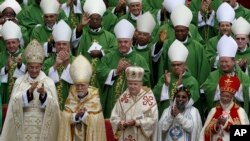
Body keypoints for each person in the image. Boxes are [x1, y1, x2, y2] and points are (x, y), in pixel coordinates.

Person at [0, 39, 60, 141]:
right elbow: (14, 104)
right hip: (24, 127)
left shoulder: (48, 82)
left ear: (41, 66)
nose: (34, 70)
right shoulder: (20, 81)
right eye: (31, 67)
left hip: (42, 127)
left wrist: (44, 95)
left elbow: (54, 107)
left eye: (37, 67)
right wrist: (28, 93)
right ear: (27, 66)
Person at [96, 19, 150, 118]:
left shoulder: (140, 59)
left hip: (133, 106)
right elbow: (99, 72)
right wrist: (116, 72)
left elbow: (146, 78)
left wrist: (132, 71)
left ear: (131, 41)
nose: (123, 44)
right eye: (120, 42)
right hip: (111, 105)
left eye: (126, 41)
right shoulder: (109, 57)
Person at [58, 54, 106, 141]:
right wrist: (75, 116)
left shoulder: (94, 99)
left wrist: (84, 116)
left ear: (88, 84)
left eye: (82, 85)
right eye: (77, 85)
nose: (79, 88)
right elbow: (65, 117)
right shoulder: (71, 96)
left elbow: (98, 120)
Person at [202, 35, 250, 116]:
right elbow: (207, 89)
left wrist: (238, 88)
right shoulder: (213, 75)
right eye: (221, 61)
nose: (223, 64)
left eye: (226, 62)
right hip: (218, 114)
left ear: (233, 61)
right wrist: (221, 88)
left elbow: (248, 91)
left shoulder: (243, 76)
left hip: (237, 114)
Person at [72, 0, 117, 87]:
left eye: (97, 19)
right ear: (89, 20)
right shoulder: (83, 33)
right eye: (92, 19)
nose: (95, 21)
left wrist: (101, 53)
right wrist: (81, 25)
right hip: (84, 76)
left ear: (102, 20)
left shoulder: (109, 36)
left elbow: (114, 51)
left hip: (102, 77)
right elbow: (74, 43)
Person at [153, 40, 200, 117]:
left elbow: (191, 101)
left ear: (185, 65)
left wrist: (180, 86)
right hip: (166, 115)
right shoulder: (165, 77)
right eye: (173, 65)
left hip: (184, 115)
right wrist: (166, 85)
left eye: (179, 64)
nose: (176, 67)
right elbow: (155, 95)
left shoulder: (192, 81)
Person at [110, 66, 158, 141]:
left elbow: (153, 120)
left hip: (141, 137)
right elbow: (113, 117)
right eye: (130, 83)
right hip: (125, 135)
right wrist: (120, 123)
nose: (132, 86)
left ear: (141, 83)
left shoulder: (149, 98)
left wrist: (137, 122)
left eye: (135, 84)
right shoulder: (123, 98)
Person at [199, 75, 249, 141]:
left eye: (228, 96)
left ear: (232, 97)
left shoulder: (240, 111)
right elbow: (205, 132)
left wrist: (227, 124)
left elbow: (244, 134)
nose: (225, 98)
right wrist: (216, 124)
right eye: (223, 96)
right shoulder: (213, 111)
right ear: (220, 95)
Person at [43, 20, 74, 110]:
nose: (61, 46)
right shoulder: (48, 62)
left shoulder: (75, 60)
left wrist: (67, 64)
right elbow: (43, 79)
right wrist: (55, 65)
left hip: (70, 101)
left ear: (69, 46)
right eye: (58, 44)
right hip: (52, 102)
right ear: (54, 46)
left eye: (64, 44)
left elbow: (78, 79)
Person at [0, 21, 26, 105]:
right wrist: (6, 68)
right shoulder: (1, 56)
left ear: (18, 42)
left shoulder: (25, 54)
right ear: (5, 44)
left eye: (13, 42)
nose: (11, 45)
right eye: (8, 43)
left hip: (21, 92)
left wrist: (20, 65)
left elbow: (33, 72)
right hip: (5, 92)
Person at [206, 2, 235, 70]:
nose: (225, 28)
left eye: (227, 25)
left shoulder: (235, 40)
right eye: (222, 25)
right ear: (218, 27)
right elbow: (208, 57)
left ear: (231, 26)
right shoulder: (212, 41)